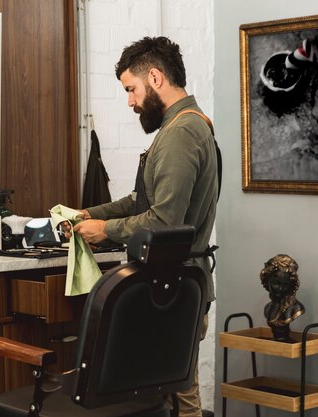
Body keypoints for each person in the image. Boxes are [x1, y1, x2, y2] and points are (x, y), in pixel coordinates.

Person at [67, 36, 218, 417]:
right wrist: (90, 215)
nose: (130, 101)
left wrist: (106, 230)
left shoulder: (181, 134)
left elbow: (164, 221)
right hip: (178, 282)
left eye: (131, 89)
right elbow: (141, 203)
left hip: (174, 285)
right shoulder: (185, 126)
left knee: (179, 398)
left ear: (155, 77)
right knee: (172, 392)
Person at [260, 254, 305, 342]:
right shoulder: (267, 308)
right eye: (276, 283)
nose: (280, 289)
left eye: (285, 284)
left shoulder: (296, 308)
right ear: (267, 280)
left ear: (291, 286)